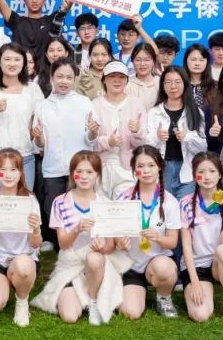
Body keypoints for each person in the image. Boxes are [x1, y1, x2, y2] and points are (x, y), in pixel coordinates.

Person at [31, 151, 132, 325]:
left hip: (97, 266)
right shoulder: (61, 202)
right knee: (69, 316)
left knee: (93, 258)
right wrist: (77, 229)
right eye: (79, 172)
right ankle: (80, 295)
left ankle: (93, 301)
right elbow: (63, 244)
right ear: (72, 174)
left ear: (97, 175)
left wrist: (101, 248)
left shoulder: (105, 203)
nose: (84, 176)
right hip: (71, 264)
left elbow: (110, 246)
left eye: (89, 172)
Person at [32, 59, 97, 249]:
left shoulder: (84, 102)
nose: (64, 81)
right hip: (52, 166)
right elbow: (40, 144)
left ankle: (80, 241)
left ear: (75, 79)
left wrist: (93, 131)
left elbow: (90, 138)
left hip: (78, 166)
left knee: (77, 205)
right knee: (52, 205)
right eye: (59, 76)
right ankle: (55, 241)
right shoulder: (43, 106)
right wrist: (38, 136)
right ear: (52, 78)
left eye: (69, 77)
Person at [0, 148, 42, 326]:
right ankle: (4, 282)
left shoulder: (30, 200)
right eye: (3, 170)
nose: (8, 175)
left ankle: (22, 300)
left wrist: (36, 229)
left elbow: (35, 244)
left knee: (23, 265)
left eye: (13, 169)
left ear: (21, 172)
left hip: (23, 258)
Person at [179, 152, 223, 326]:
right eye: (201, 172)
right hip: (197, 265)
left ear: (220, 174)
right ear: (194, 175)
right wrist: (194, 282)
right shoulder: (186, 203)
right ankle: (207, 290)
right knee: (200, 315)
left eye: (212, 171)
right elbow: (186, 246)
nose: (207, 176)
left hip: (220, 262)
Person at [117, 146, 181, 319]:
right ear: (133, 169)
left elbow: (173, 242)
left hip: (158, 262)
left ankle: (164, 297)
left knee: (164, 269)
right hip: (131, 265)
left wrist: (158, 238)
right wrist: (120, 242)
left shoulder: (170, 201)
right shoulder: (123, 198)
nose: (146, 171)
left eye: (151, 165)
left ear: (159, 167)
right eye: (140, 166)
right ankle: (135, 292)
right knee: (130, 313)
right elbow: (116, 235)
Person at [0, 43, 43, 193]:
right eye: (7, 59)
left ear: (24, 63)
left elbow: (34, 128)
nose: (12, 63)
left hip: (24, 158)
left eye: (17, 59)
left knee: (23, 204)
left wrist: (37, 133)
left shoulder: (33, 89)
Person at [144, 66, 207, 199]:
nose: (173, 86)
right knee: (164, 207)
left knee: (185, 207)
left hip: (187, 171)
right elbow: (145, 146)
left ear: (185, 84)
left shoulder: (196, 112)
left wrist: (187, 137)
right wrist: (157, 137)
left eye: (178, 82)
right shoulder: (153, 113)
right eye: (168, 82)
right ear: (163, 86)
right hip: (162, 169)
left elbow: (203, 147)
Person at [90, 61, 146, 198]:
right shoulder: (94, 105)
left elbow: (143, 143)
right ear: (104, 79)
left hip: (127, 168)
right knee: (101, 207)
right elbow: (89, 142)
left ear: (127, 80)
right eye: (112, 76)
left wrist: (137, 132)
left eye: (121, 77)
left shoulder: (136, 104)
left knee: (125, 206)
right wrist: (107, 142)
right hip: (100, 168)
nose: (117, 80)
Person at [126, 43, 160, 108]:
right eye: (138, 60)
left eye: (147, 60)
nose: (142, 64)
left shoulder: (160, 83)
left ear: (154, 61)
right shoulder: (127, 84)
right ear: (132, 61)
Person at [183, 43, 214, 109]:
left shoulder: (215, 86)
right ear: (186, 61)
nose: (197, 63)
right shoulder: (180, 84)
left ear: (207, 62)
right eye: (193, 60)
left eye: (201, 60)